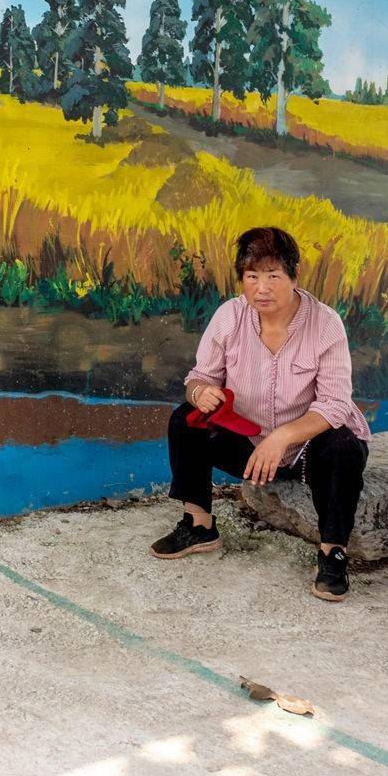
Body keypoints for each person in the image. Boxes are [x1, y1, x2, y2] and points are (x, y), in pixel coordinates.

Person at [153, 226, 371, 602]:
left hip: (306, 450)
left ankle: (332, 553)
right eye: (252, 277)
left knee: (343, 445)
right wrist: (201, 392)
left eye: (273, 276)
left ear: (294, 276)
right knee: (184, 419)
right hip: (250, 445)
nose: (262, 288)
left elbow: (335, 404)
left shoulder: (326, 324)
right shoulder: (229, 316)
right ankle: (199, 525)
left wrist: (283, 435)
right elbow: (199, 377)